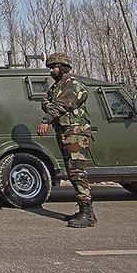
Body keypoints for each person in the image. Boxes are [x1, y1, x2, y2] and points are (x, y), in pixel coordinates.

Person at [36, 52, 96, 228]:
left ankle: (87, 213)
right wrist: (50, 106)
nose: (51, 71)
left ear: (62, 67)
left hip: (75, 133)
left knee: (77, 172)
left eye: (53, 67)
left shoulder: (74, 85)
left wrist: (47, 119)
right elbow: (45, 101)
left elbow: (62, 104)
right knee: (72, 172)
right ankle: (86, 211)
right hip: (64, 132)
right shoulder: (56, 87)